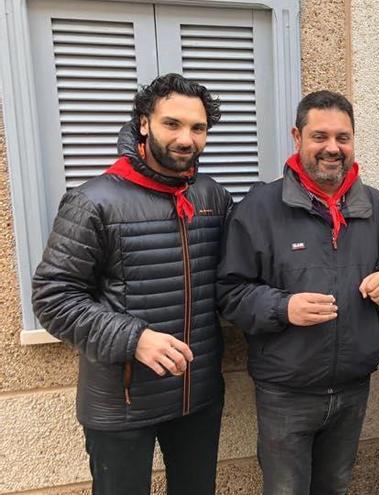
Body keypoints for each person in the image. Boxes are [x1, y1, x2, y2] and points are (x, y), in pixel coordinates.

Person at [31, 73, 231, 494]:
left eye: (198, 128)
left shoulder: (213, 197)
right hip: (120, 402)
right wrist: (134, 338)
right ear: (144, 123)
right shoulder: (94, 201)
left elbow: (235, 279)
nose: (186, 139)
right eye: (172, 124)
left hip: (197, 395)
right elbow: (53, 297)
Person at [216, 90, 379, 494]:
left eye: (343, 137)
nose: (332, 148)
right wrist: (283, 307)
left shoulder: (377, 208)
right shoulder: (259, 208)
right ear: (297, 137)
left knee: (335, 486)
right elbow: (229, 293)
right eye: (319, 136)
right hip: (286, 390)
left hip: (354, 386)